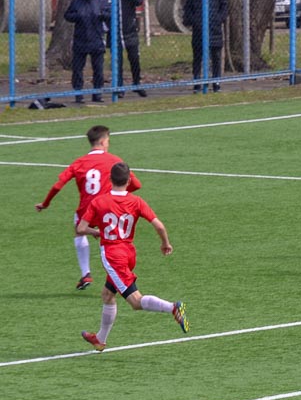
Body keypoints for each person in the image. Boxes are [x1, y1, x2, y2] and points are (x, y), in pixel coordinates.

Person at [76, 162, 189, 351]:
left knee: (136, 302)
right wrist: (165, 243)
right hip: (129, 253)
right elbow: (159, 226)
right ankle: (100, 340)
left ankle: (173, 308)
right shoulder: (137, 201)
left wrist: (95, 232)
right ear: (129, 181)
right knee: (107, 294)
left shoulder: (99, 202)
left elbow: (80, 228)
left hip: (113, 256)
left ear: (110, 180)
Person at [35, 125, 141, 290]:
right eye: (108, 141)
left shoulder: (79, 162)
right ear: (102, 141)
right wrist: (119, 194)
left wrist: (45, 203)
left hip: (88, 210)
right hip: (109, 208)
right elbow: (136, 184)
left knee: (79, 231)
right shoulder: (114, 160)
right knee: (115, 241)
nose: (108, 144)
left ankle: (86, 273)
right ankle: (120, 276)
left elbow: (58, 186)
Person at [183, 0, 228, 94]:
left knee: (216, 58)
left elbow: (224, 7)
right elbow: (188, 10)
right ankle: (197, 83)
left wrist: (218, 19)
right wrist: (196, 22)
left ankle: (216, 83)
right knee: (198, 58)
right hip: (199, 32)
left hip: (215, 31)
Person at [64, 0, 110, 103]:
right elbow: (67, 15)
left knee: (98, 69)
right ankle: (79, 94)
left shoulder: (101, 1)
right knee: (78, 69)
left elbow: (109, 14)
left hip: (96, 40)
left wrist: (102, 14)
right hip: (80, 41)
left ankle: (97, 94)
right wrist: (77, 16)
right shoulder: (76, 2)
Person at [104, 0, 147, 98]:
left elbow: (139, 1)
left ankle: (137, 83)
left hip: (130, 33)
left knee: (134, 59)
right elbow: (104, 11)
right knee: (117, 61)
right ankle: (119, 86)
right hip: (115, 34)